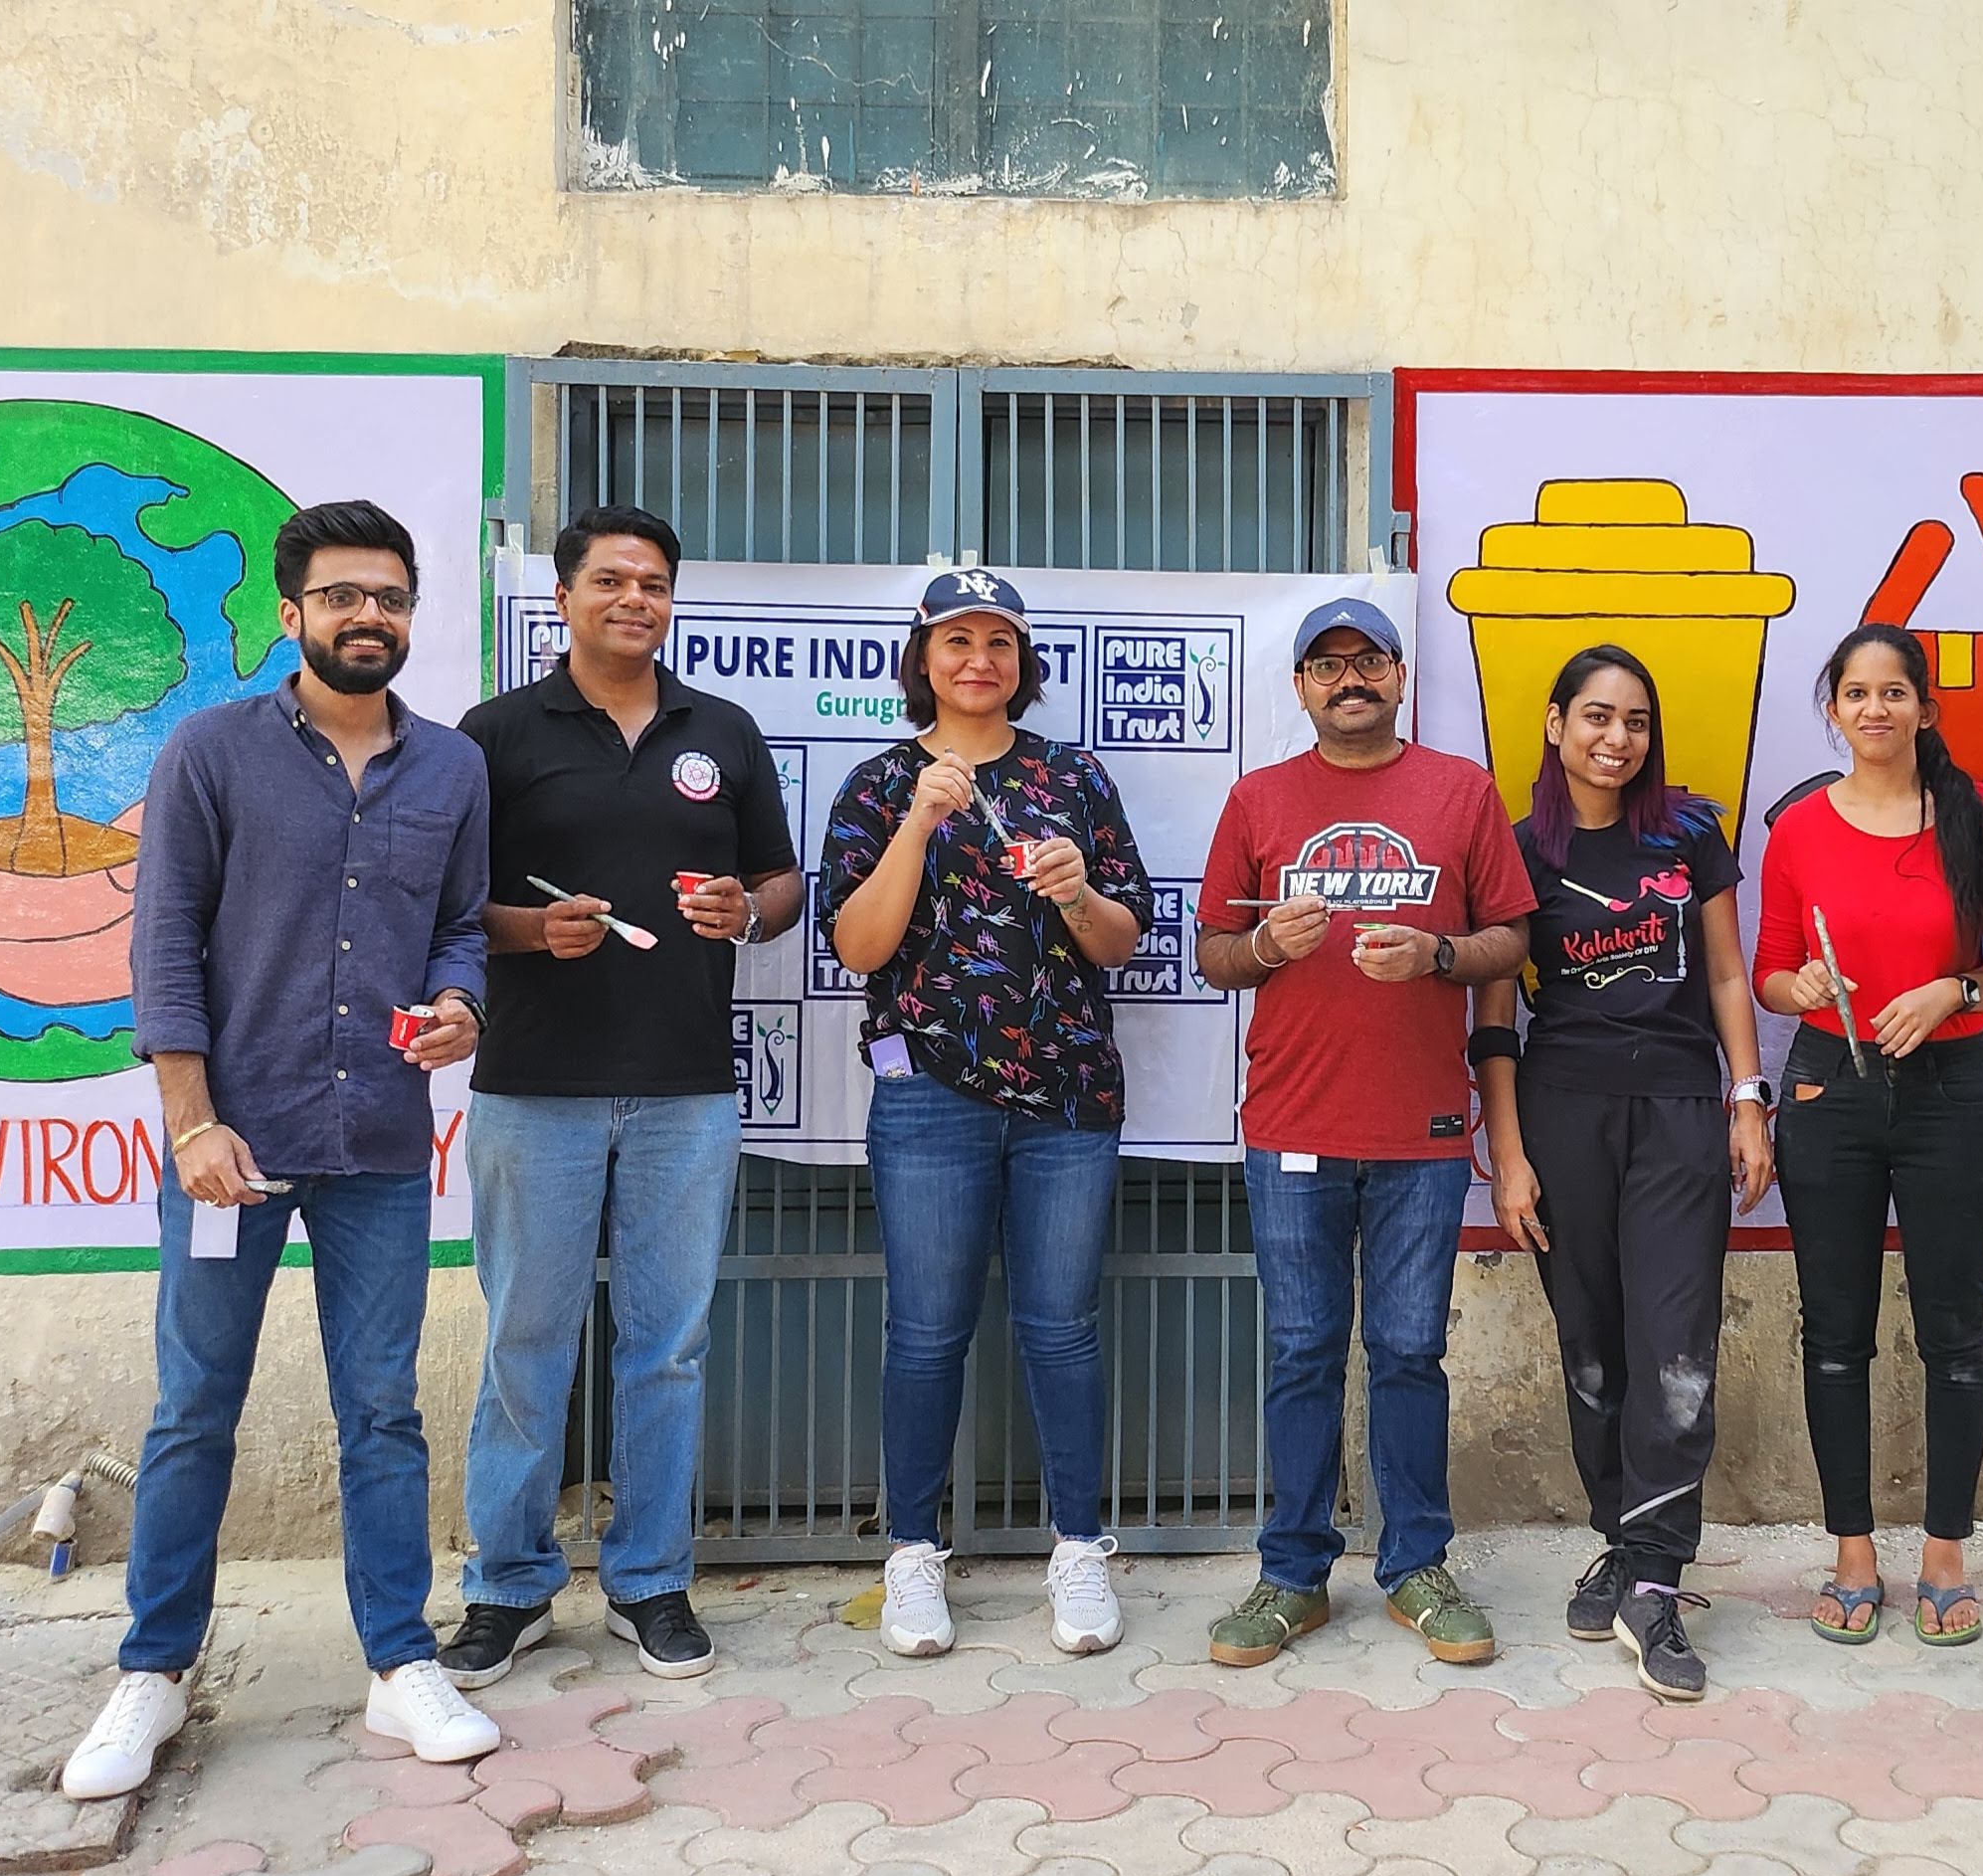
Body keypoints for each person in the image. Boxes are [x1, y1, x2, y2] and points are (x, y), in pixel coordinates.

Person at [67, 499, 499, 1799]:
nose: (370, 616)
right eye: (344, 596)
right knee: (194, 1408)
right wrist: (190, 1122)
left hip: (375, 1136)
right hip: (230, 1147)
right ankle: (152, 1673)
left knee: (382, 1409)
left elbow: (466, 924)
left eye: (392, 597)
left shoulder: (452, 772)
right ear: (291, 614)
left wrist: (464, 1004)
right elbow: (164, 945)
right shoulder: (211, 753)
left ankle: (398, 1663)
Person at [440, 505, 804, 1690]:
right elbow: (445, 908)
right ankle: (507, 1587)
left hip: (685, 1087)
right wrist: (531, 932)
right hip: (532, 1087)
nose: (634, 599)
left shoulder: (725, 731)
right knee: (524, 1344)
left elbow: (782, 881)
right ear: (561, 597)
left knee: (667, 1348)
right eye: (610, 580)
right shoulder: (493, 735)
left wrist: (745, 913)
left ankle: (650, 1580)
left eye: (652, 582)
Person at [818, 568, 1158, 1659]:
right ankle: (913, 1553)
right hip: (928, 1096)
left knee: (1062, 1330)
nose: (979, 659)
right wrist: (920, 822)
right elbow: (857, 947)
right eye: (956, 640)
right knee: (924, 1334)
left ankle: (1078, 1547)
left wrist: (1074, 890)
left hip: (1065, 1093)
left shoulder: (1073, 775)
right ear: (920, 659)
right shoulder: (878, 783)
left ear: (1022, 660)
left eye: (999, 641)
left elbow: (1120, 941)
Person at [1192, 597, 1536, 1669]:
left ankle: (1416, 1565)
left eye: (1369, 660)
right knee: (1301, 1350)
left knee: (1407, 1350)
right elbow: (1212, 951)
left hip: (1422, 1126)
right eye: (1327, 664)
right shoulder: (1257, 797)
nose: (1350, 678)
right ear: (1298, 686)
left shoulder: (1461, 791)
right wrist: (1265, 950)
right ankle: (1291, 1573)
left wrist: (1438, 956)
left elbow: (1510, 938)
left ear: (1399, 674)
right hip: (1291, 1119)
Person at [1475, 645, 1771, 1703]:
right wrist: (1508, 1155)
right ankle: (1620, 1531)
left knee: (1675, 1344)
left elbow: (1730, 972)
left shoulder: (1691, 831)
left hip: (1682, 1110)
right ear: (1554, 725)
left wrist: (1746, 1098)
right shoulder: (1516, 854)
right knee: (1591, 1345)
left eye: (1635, 720)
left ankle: (1654, 1575)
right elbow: (1496, 1017)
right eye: (1595, 716)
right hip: (1563, 1114)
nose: (1616, 737)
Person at [1751, 622, 1983, 1651]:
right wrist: (1801, 985)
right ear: (1833, 709)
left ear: (1923, 706)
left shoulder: (1978, 816)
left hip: (1952, 1087)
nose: (1874, 709)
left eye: (1892, 692)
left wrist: (1954, 987)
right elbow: (1772, 969)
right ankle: (1853, 1551)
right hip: (1830, 1087)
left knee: (1954, 1332)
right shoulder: (1801, 830)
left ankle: (1944, 1553)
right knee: (1835, 1335)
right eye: (1855, 693)